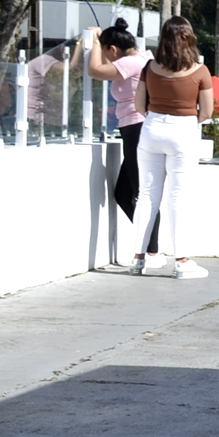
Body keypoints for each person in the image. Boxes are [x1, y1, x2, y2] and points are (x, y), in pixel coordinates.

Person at [129, 16, 216, 279]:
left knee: (147, 195)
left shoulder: (150, 67)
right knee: (178, 197)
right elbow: (207, 112)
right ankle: (181, 261)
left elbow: (139, 105)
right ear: (190, 38)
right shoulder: (200, 71)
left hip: (152, 128)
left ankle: (138, 258)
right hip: (183, 130)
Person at [87, 20, 158, 264]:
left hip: (136, 128)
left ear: (113, 49)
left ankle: (152, 251)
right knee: (125, 192)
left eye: (107, 51)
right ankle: (149, 245)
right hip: (133, 128)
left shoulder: (131, 62)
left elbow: (95, 70)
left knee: (140, 192)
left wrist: (94, 42)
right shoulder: (142, 58)